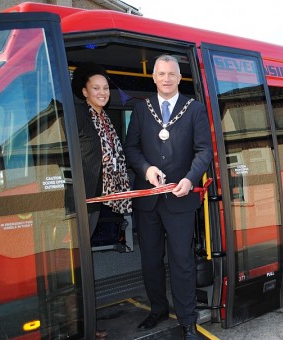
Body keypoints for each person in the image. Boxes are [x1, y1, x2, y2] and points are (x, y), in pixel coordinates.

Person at [124, 55, 213, 339]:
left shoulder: (195, 109)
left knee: (182, 262)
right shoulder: (141, 109)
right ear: (153, 77)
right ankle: (158, 309)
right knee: (150, 260)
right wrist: (146, 168)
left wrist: (189, 179)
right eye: (161, 74)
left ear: (179, 77)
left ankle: (187, 320)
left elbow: (204, 152)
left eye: (171, 74)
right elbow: (131, 148)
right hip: (148, 199)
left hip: (181, 198)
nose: (166, 78)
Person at [71, 62, 132, 339]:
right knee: (75, 266)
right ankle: (79, 326)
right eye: (96, 88)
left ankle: (84, 323)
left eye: (105, 88)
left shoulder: (105, 118)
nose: (102, 92)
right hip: (81, 200)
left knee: (82, 265)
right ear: (84, 91)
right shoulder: (79, 115)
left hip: (97, 200)